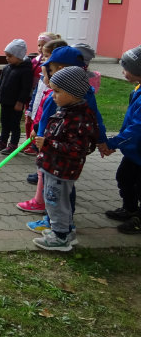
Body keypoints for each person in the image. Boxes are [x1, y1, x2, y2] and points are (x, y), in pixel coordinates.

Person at [31, 66, 99, 252]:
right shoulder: (68, 110)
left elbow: (76, 149)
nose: (53, 95)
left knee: (55, 203)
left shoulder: (78, 118)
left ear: (73, 93)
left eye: (58, 91)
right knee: (60, 202)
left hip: (61, 170)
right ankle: (66, 232)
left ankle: (60, 237)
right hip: (54, 166)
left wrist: (47, 144)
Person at [104, 45, 141, 235]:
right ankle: (130, 208)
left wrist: (113, 142)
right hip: (134, 151)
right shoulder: (138, 89)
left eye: (126, 68)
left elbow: (136, 129)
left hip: (137, 148)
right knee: (124, 177)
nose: (123, 72)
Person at [0, 38, 33, 155]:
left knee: (14, 124)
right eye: (6, 55)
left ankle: (13, 144)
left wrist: (20, 102)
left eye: (10, 56)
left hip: (16, 103)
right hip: (5, 101)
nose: (7, 58)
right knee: (5, 123)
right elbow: (0, 82)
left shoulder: (26, 70)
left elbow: (25, 88)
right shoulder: (7, 67)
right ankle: (2, 142)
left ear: (19, 56)